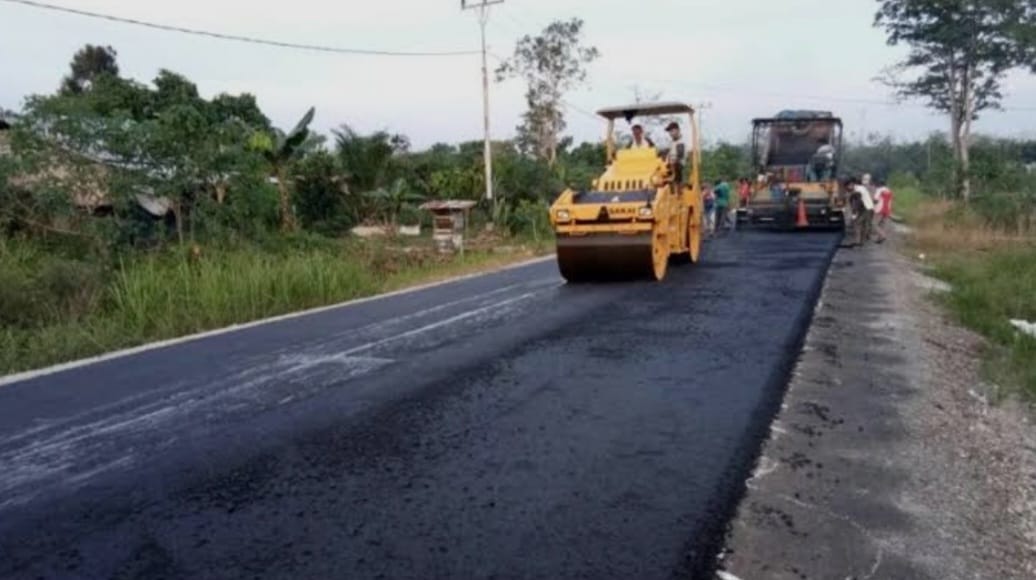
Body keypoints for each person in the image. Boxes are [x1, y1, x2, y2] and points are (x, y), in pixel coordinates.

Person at [846, 177, 874, 246]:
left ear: (851, 184)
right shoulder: (860, 188)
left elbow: (857, 202)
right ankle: (861, 242)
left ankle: (857, 241)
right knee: (863, 225)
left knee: (857, 223)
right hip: (868, 208)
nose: (848, 188)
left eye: (848, 187)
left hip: (866, 208)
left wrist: (854, 213)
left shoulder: (858, 190)